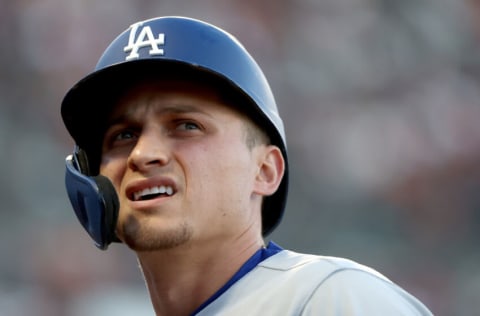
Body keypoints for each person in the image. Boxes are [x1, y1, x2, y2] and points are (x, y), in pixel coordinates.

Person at [60, 16, 433, 315]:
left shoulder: (333, 297)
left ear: (265, 171)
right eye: (123, 136)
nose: (143, 154)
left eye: (186, 126)